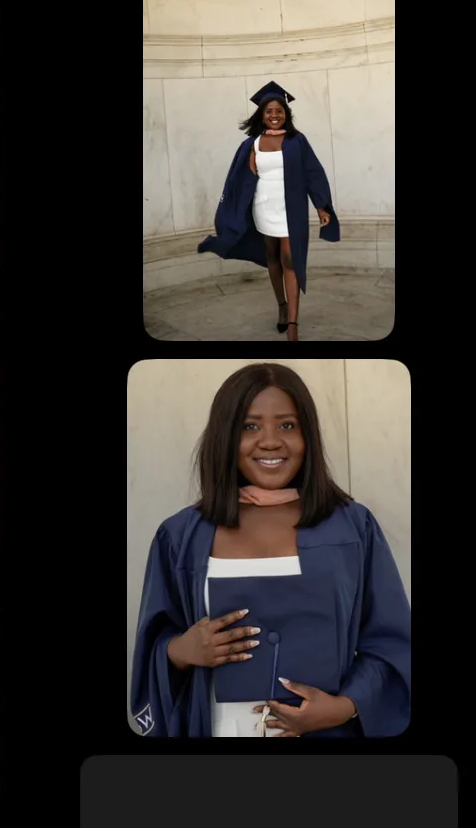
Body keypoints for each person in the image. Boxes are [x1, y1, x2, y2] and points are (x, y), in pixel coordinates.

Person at [131, 362, 410, 741]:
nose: (270, 441)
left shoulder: (351, 527)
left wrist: (343, 707)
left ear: (308, 435)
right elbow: (156, 646)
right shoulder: (182, 536)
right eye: (250, 426)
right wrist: (182, 650)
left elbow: (391, 642)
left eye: (287, 425)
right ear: (225, 436)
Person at [197, 80, 339, 337]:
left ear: (287, 114)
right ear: (262, 115)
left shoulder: (298, 141)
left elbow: (313, 173)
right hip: (264, 208)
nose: (275, 115)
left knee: (290, 259)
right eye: (269, 111)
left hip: (291, 209)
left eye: (279, 110)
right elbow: (241, 179)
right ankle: (282, 307)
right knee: (272, 258)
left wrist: (321, 206)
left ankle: (293, 324)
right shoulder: (252, 144)